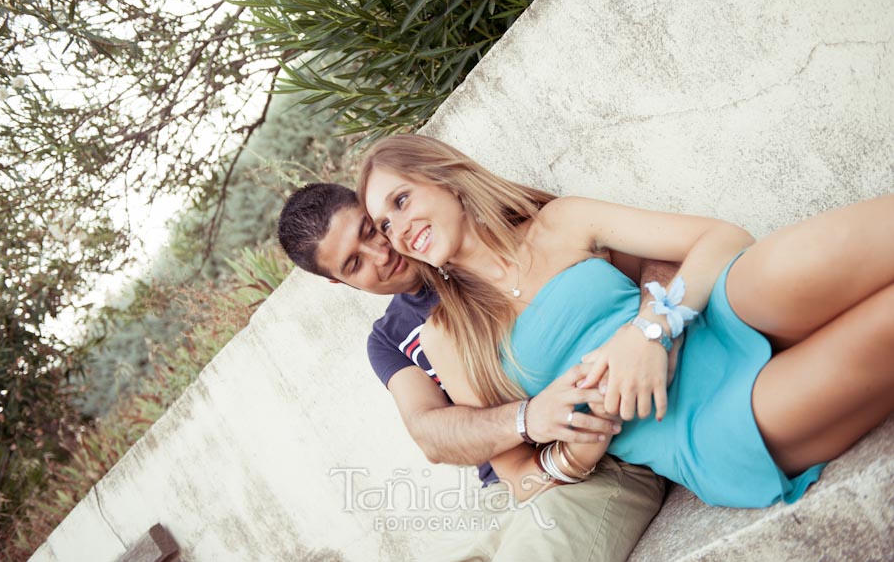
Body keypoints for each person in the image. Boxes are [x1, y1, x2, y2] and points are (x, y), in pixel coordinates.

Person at [358, 133, 894, 508]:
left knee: (791, 261)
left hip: (705, 320)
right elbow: (519, 479)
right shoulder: (449, 336)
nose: (399, 230)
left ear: (447, 180)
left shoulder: (560, 221)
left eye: (402, 201)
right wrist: (574, 452)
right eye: (385, 223)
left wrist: (649, 333)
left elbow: (721, 238)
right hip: (697, 422)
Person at [277, 183, 671, 561]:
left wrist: (648, 328)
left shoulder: (488, 240)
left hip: (597, 457)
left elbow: (656, 253)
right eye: (354, 263)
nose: (380, 255)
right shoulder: (389, 339)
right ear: (337, 281)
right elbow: (430, 433)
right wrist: (526, 418)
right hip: (501, 491)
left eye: (370, 230)